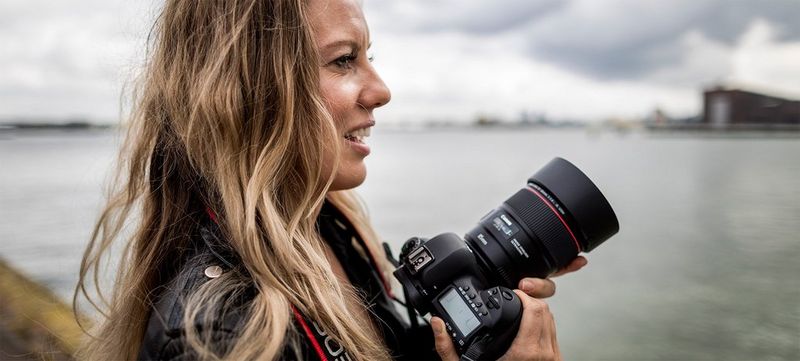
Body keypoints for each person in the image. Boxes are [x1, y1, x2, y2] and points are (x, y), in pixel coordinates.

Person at [74, 0, 587, 360]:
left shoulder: (326, 228)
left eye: (370, 57)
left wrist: (471, 334)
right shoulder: (221, 335)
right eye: (345, 59)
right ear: (249, 91)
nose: (382, 90)